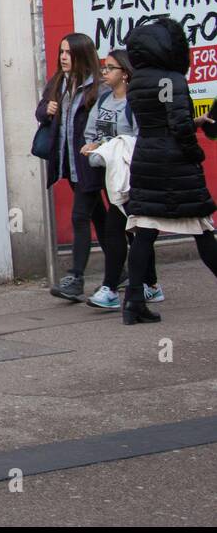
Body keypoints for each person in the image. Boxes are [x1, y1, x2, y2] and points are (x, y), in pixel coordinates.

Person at [120, 17, 217, 325]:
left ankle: (133, 302)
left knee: (144, 231)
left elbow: (161, 118)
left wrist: (189, 123)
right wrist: (195, 151)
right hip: (175, 164)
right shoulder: (170, 80)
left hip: (147, 158)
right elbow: (177, 126)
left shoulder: (136, 80)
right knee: (202, 230)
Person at [81, 50, 163, 309]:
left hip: (133, 176)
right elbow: (90, 132)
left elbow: (142, 140)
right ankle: (150, 285)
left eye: (111, 68)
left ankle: (112, 288)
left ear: (125, 74)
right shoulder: (103, 100)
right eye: (104, 68)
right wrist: (95, 148)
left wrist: (109, 146)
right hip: (110, 174)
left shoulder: (135, 104)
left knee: (124, 230)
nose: (104, 73)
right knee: (133, 231)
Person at [36, 33, 107, 301]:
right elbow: (41, 111)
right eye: (61, 52)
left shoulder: (97, 87)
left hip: (89, 162)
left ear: (82, 55)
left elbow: (104, 122)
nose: (63, 57)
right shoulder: (58, 82)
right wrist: (47, 110)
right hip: (69, 162)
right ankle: (120, 271)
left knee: (80, 216)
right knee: (99, 215)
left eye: (69, 53)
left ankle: (76, 278)